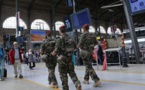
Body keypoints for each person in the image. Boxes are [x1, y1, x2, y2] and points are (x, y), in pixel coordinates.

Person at [51, 26, 81, 90]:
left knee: (63, 75)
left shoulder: (60, 39)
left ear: (60, 31)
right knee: (72, 73)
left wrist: (53, 53)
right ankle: (77, 83)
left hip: (62, 60)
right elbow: (76, 47)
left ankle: (65, 88)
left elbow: (56, 50)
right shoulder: (71, 38)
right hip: (70, 59)